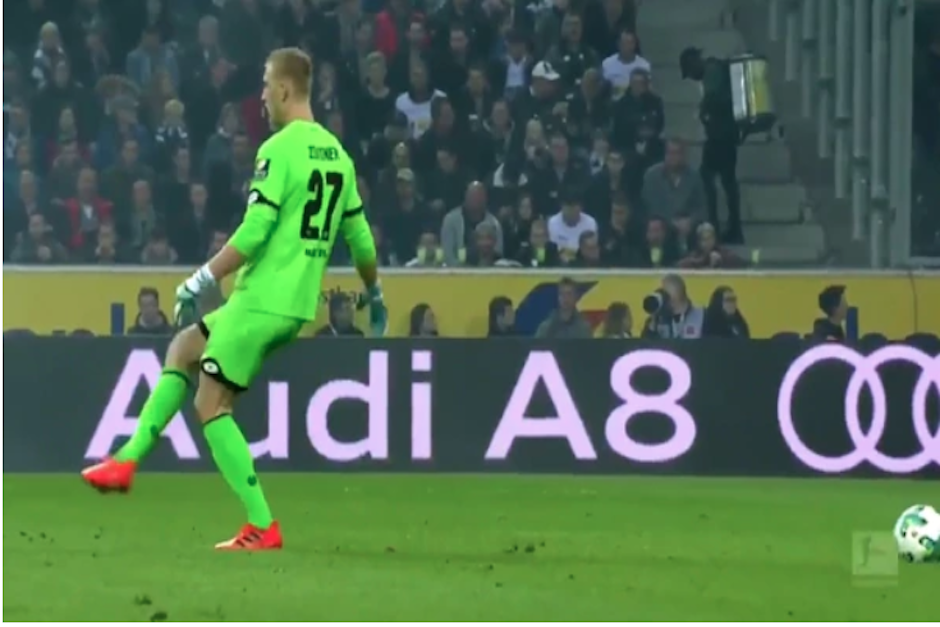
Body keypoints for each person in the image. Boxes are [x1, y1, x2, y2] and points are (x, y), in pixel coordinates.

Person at [81, 48, 388, 551]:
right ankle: (127, 460)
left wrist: (199, 279)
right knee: (183, 347)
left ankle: (262, 525)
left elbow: (253, 232)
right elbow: (361, 242)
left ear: (286, 89)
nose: (262, 95)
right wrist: (374, 294)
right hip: (292, 303)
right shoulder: (339, 157)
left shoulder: (279, 150)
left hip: (262, 300)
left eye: (267, 84)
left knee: (211, 403)